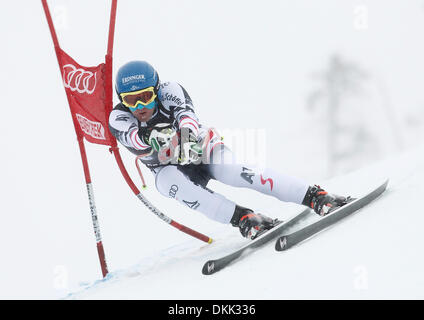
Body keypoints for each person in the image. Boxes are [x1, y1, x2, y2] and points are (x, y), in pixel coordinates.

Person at [108, 61, 348, 240]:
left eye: (146, 97)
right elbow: (133, 139)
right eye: (132, 100)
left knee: (234, 172)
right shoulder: (118, 117)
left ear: (156, 90)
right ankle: (244, 218)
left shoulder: (170, 90)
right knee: (169, 184)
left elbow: (187, 117)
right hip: (167, 167)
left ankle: (314, 195)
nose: (140, 107)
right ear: (122, 100)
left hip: (199, 148)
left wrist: (183, 137)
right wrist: (150, 138)